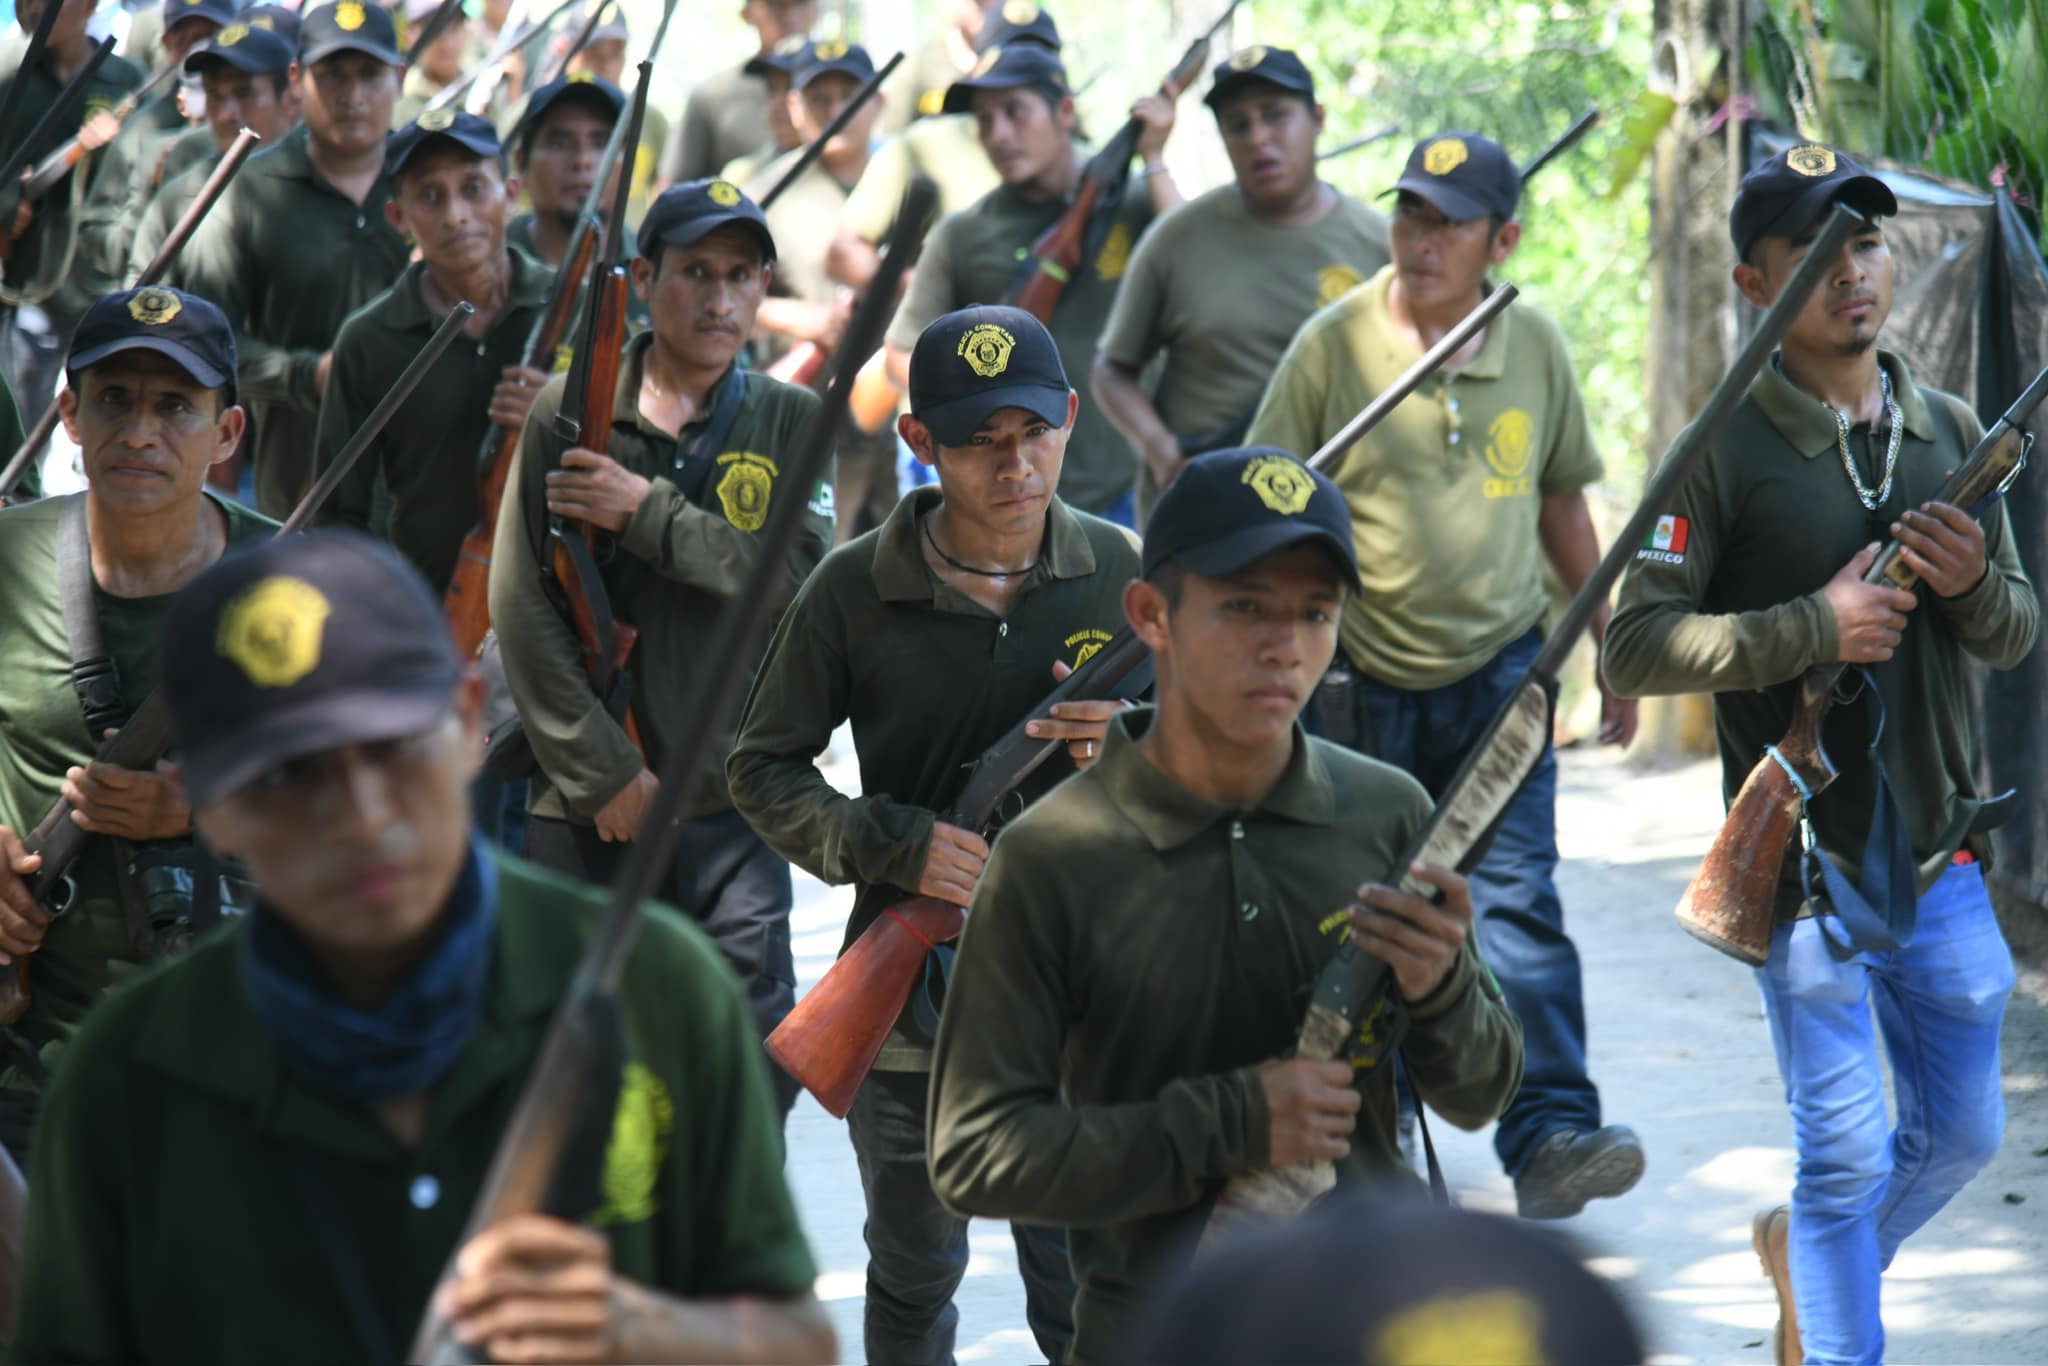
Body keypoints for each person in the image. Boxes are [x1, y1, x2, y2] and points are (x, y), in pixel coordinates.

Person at [11, 530, 837, 1365]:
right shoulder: (130, 1077)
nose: (363, 816)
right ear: (207, 807)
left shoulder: (659, 987)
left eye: (391, 747)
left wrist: (632, 1329)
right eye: (290, 777)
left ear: (467, 719)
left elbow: (796, 1338)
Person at [926, 446, 1525, 1364]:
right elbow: (974, 1156)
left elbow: (1481, 1093)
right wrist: (1233, 1122)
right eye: (1244, 605)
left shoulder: (1388, 813)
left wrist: (1439, 984)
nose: (1284, 643)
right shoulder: (1051, 857)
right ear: (1150, 615)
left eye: (1315, 613)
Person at [1604, 144, 2039, 1366]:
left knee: (1957, 1136)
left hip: (1941, 853)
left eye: (1866, 244)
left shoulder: (1947, 428)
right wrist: (1813, 628)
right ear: (1755, 283)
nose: (1854, 271)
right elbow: (1631, 646)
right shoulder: (1718, 450)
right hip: (1802, 863)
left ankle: (1805, 1254)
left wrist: (1964, 584)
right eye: (1816, 251)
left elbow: (2012, 634)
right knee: (1841, 1149)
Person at [1246, 131, 1644, 1220]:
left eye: (1448, 223)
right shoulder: (1334, 348)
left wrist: (1608, 638)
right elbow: (1266, 494)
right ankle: (1367, 1160)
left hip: (1504, 679)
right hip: (1357, 687)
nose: (1420, 241)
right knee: (1362, 917)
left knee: (1515, 904)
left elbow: (1563, 503)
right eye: (1408, 215)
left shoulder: (1537, 346)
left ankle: (1549, 1131)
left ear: (1500, 241)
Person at [730, 304, 1136, 1363]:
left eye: (1033, 433)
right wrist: (894, 844)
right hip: (911, 1003)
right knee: (913, 1275)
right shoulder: (851, 588)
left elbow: (1215, 770)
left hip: (1081, 999)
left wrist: (1128, 752)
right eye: (977, 441)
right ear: (917, 443)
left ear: (1071, 420)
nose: (1014, 464)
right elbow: (759, 766)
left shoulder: (1123, 576)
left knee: (1083, 1282)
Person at [488, 179, 833, 1120]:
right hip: (590, 804)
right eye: (692, 274)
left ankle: (712, 1241)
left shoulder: (791, 420)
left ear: (764, 289)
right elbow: (520, 604)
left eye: (739, 276)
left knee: (754, 1049)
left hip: (732, 797)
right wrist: (604, 775)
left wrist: (651, 516)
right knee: (576, 1055)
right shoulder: (571, 410)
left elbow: (800, 590)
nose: (718, 299)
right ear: (643, 279)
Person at [0, 286, 269, 1168]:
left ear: (225, 434)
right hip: (29, 1068)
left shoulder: (306, 589)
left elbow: (383, 812)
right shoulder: (10, 561)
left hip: (241, 1065)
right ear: (69, 414)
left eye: (175, 407)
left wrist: (205, 811)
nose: (141, 432)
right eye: (114, 400)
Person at [882, 41, 1178, 527]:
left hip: (1127, 488)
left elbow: (1193, 258)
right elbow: (901, 355)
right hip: (1005, 502)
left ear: (1064, 111)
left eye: (1014, 112)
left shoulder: (1133, 200)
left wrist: (1155, 158)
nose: (998, 134)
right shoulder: (962, 234)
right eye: (984, 120)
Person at [1094, 46, 1390, 515]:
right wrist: (1161, 449)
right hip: (1201, 506)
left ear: (1318, 119)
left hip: (1335, 509)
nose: (1257, 138)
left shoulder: (1380, 245)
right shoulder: (1176, 238)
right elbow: (1112, 371)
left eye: (1275, 117)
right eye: (1238, 125)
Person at [180, 0, 410, 519]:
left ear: (399, 76)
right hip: (293, 485)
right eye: (331, 76)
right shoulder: (249, 189)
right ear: (296, 78)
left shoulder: (432, 185)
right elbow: (207, 339)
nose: (352, 96)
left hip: (419, 490)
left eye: (370, 75)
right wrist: (308, 376)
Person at [313, 109, 549, 595]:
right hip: (431, 611)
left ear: (510, 194)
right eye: (429, 196)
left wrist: (559, 416)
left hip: (563, 609)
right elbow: (337, 514)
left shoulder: (576, 307)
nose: (455, 215)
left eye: (473, 189)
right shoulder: (368, 340)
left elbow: (636, 458)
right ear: (398, 216)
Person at [753, 40, 898, 541]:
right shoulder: (766, 193)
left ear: (878, 101)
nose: (836, 111)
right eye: (819, 98)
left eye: (850, 96)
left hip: (904, 413)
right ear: (793, 107)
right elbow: (716, 302)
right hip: (810, 420)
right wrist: (806, 321)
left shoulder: (907, 174)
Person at [825, 2, 1057, 293]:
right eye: (1007, 59)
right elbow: (844, 253)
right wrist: (929, 292)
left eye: (1037, 59)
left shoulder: (1083, 162)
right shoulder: (920, 146)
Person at [0, 0, 147, 459]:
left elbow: (144, 168)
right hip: (27, 274)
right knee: (25, 409)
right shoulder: (8, 74)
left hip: (101, 272)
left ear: (87, 6)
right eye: (21, 3)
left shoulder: (124, 80)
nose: (29, 13)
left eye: (42, 3)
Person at [125, 20, 300, 285]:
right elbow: (140, 307)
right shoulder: (179, 199)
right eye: (214, 95)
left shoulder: (333, 184)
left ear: (290, 98)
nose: (226, 113)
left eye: (244, 93)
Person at [79, 0, 232, 287]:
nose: (200, 48)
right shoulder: (143, 130)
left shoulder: (254, 115)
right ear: (167, 45)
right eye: (187, 39)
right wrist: (152, 193)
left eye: (210, 35)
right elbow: (96, 238)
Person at [658, 0, 817, 187]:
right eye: (774, 4)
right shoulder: (713, 97)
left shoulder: (850, 89)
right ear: (747, 13)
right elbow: (673, 193)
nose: (789, 16)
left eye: (800, 3)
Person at [719, 33, 806, 190]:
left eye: (791, 89)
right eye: (772, 90)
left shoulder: (847, 169)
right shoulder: (742, 174)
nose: (779, 103)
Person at [391, 0, 468, 125]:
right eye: (434, 29)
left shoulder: (484, 90)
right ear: (408, 35)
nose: (446, 42)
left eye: (454, 26)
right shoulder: (396, 100)